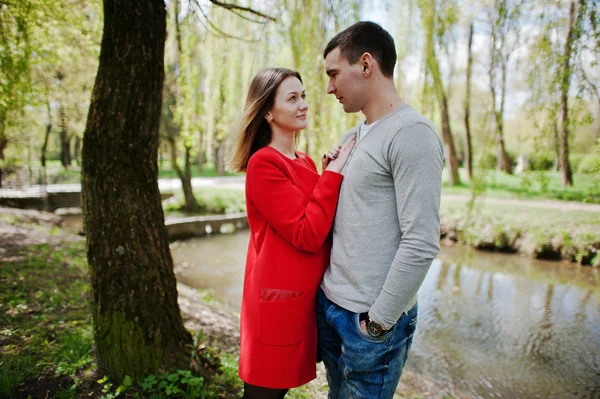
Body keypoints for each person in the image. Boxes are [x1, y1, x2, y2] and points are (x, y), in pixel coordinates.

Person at [317, 21, 444, 398]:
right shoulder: (353, 136)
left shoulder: (411, 134)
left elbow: (421, 241)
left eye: (334, 74)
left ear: (366, 64)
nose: (329, 88)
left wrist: (378, 323)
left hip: (369, 325)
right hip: (333, 308)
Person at [228, 67, 356, 399]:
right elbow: (307, 234)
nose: (303, 105)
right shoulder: (264, 164)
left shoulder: (304, 161)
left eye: (303, 97)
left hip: (301, 306)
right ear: (268, 111)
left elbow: (316, 211)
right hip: (275, 310)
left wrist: (326, 172)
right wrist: (334, 176)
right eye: (292, 98)